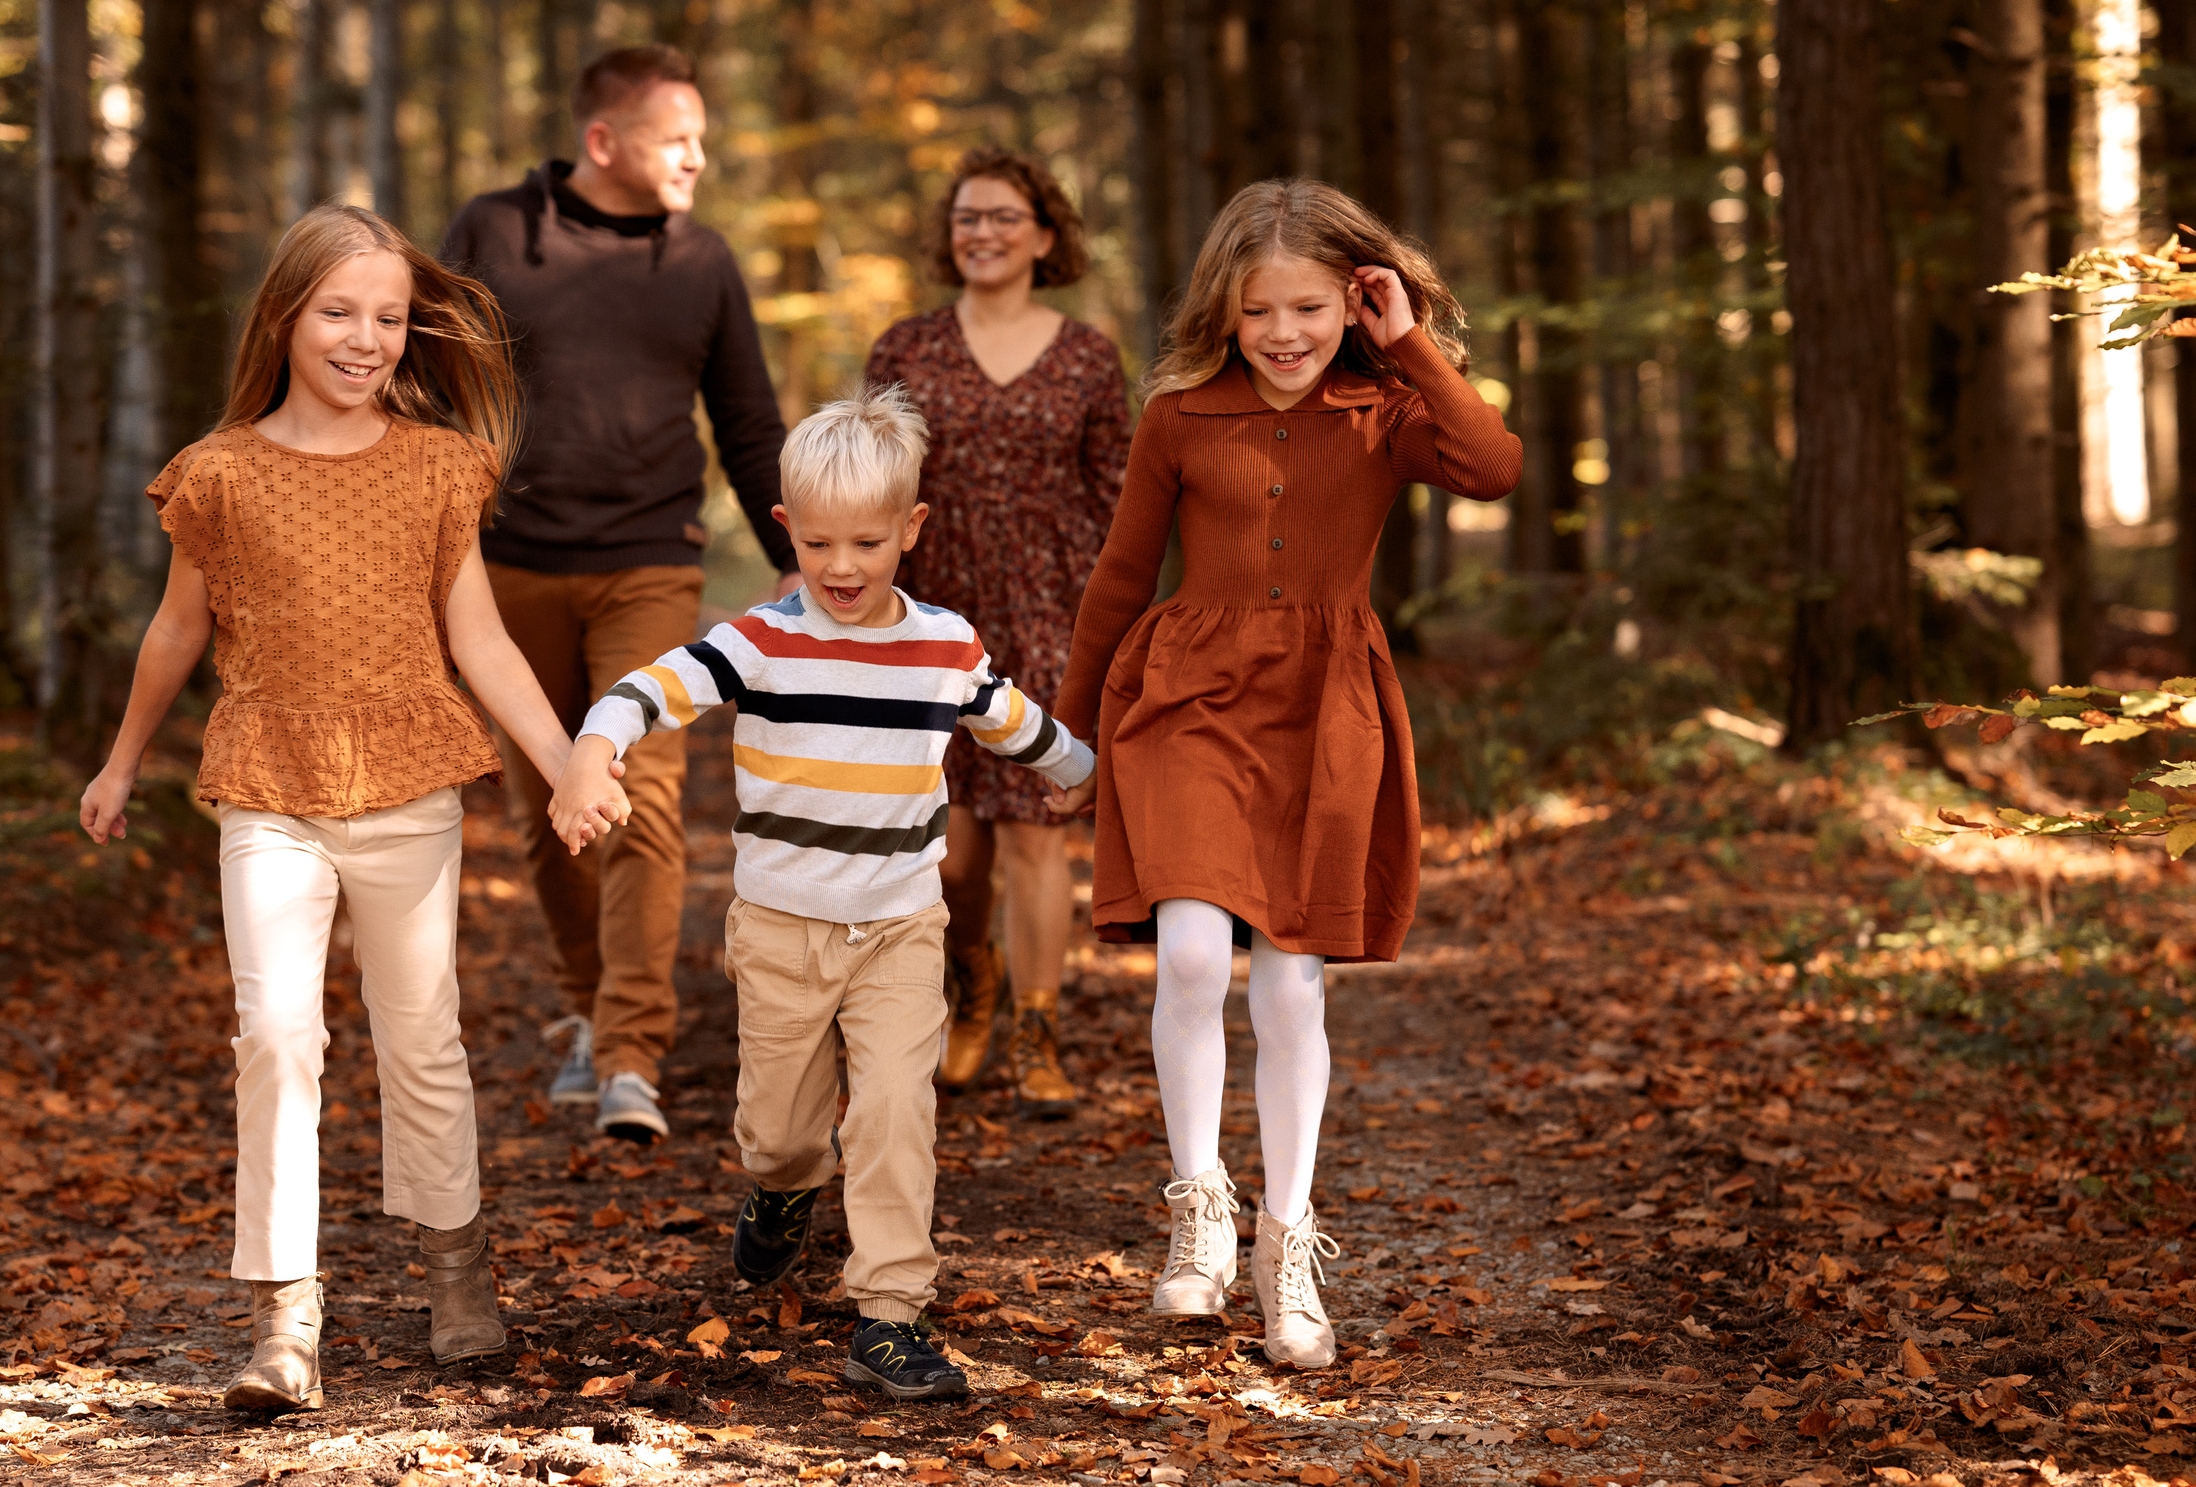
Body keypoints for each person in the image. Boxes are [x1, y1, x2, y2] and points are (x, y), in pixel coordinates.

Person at [77, 204, 585, 1410]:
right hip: (266, 785)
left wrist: (567, 760)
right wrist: (117, 761)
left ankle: (457, 1267)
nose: (366, 339)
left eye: (390, 318)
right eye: (339, 313)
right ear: (286, 316)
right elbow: (175, 629)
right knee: (276, 1035)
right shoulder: (220, 473)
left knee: (420, 1032)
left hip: (411, 784)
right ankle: (283, 1317)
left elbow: (480, 640)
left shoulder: (437, 465)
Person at [1052, 179, 1523, 1370]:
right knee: (1197, 952)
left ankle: (1287, 1240)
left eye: (1310, 309)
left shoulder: (1384, 408)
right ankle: (1199, 1211)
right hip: (1185, 700)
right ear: (1226, 307)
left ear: (1352, 301)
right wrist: (1065, 736)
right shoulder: (1178, 416)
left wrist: (1405, 339)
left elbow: (1495, 465)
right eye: (1261, 311)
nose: (1284, 335)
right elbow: (1118, 578)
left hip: (1324, 709)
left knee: (1293, 983)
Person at [553, 387, 1095, 1401]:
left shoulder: (943, 646)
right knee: (782, 1128)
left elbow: (1016, 724)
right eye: (819, 545)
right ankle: (781, 1188)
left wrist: (1094, 772)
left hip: (898, 925)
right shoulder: (760, 641)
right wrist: (593, 754)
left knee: (895, 1107)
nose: (841, 569)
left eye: (867, 543)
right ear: (785, 530)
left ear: (911, 531)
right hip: (781, 930)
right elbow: (644, 690)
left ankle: (889, 1314)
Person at [439, 44, 792, 1146]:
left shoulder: (703, 260)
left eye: (702, 137)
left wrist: (800, 556)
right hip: (509, 570)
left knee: (635, 787)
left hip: (649, 560)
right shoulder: (494, 234)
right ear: (604, 143)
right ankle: (591, 1007)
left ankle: (633, 1051)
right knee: (550, 814)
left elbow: (746, 420)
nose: (700, 156)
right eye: (676, 138)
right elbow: (430, 380)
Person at [863, 148, 1127, 1119]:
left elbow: (1119, 497)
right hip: (933, 615)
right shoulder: (905, 350)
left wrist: (1114, 622)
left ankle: (1038, 1033)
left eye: (1005, 217)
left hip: (1052, 612)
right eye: (967, 217)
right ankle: (973, 983)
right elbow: (868, 477)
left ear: (1045, 235)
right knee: (954, 850)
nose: (983, 232)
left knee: (1035, 833)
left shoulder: (1089, 356)